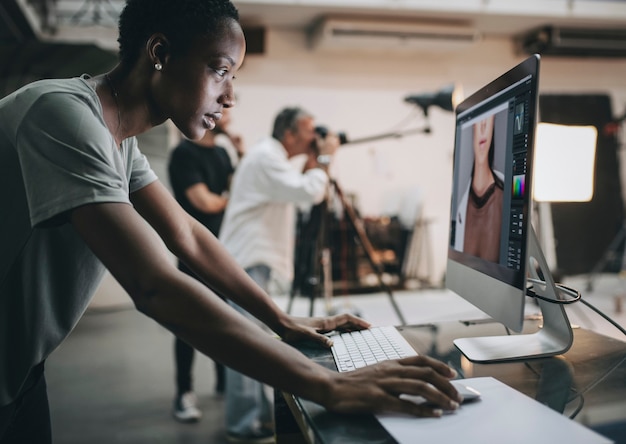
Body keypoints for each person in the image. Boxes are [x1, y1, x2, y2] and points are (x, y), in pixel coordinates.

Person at [0, 1, 462, 443]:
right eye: (220, 70)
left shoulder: (118, 141)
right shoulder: (61, 115)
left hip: (21, 370)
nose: (230, 96)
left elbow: (189, 237)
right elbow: (152, 283)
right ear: (159, 53)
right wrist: (327, 385)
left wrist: (281, 320)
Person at [218, 106, 340, 441]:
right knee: (245, 341)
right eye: (309, 130)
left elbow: (305, 193)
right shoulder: (265, 158)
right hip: (247, 260)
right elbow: (307, 192)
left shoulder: (270, 157)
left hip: (251, 259)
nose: (315, 137)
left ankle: (254, 417)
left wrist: (317, 162)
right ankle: (243, 425)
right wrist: (326, 160)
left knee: (255, 339)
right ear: (289, 134)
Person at [167, 110, 240, 422]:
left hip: (225, 250)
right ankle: (184, 392)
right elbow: (205, 202)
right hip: (194, 252)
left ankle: (226, 382)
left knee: (226, 319)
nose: (229, 114)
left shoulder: (224, 153)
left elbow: (235, 188)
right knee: (189, 323)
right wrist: (230, 195)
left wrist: (241, 151)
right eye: (223, 111)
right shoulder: (183, 154)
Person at [454, 114, 504, 262]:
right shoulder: (460, 204)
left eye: (488, 120)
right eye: (478, 121)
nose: (483, 127)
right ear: (472, 127)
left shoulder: (505, 200)